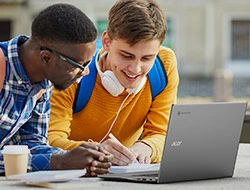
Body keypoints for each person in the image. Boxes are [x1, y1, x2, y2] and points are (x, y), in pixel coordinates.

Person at [49, 0, 179, 166]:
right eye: (126, 56)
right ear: (107, 41)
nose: (135, 69)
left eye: (147, 58)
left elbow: (163, 133)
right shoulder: (75, 67)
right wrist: (98, 151)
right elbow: (50, 140)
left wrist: (146, 147)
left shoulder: (164, 64)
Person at [0, 3, 113, 176]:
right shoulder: (2, 66)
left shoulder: (42, 83)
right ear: (46, 58)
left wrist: (80, 159)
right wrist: (60, 162)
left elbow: (32, 144)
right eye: (80, 65)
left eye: (88, 63)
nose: (86, 72)